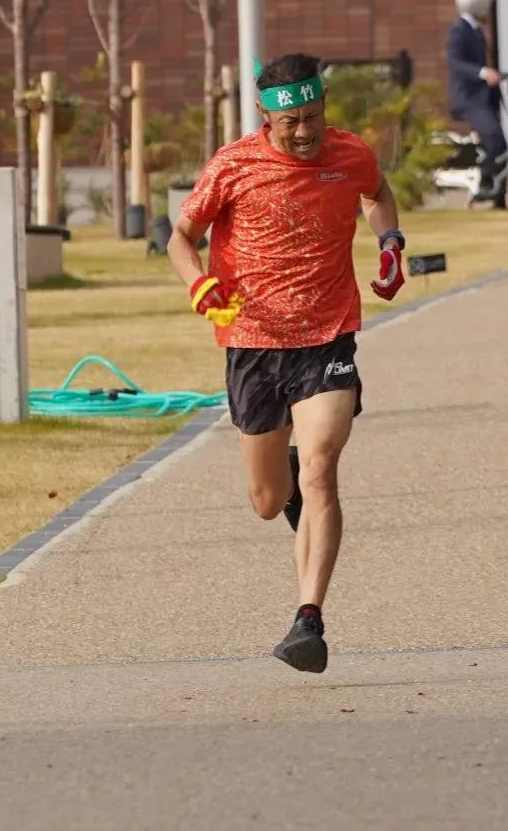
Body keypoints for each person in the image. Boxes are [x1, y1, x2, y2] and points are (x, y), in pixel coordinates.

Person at [168, 53, 407, 674]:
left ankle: (309, 620)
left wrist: (389, 243)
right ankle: (289, 468)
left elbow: (378, 195)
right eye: (289, 121)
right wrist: (198, 284)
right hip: (253, 343)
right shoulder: (234, 166)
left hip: (328, 336)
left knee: (323, 467)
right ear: (264, 116)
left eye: (313, 117)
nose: (303, 132)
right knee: (270, 500)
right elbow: (180, 237)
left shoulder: (349, 153)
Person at [446, 0, 508, 209]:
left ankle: (498, 198)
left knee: (501, 145)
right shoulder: (458, 31)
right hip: (469, 99)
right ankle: (484, 184)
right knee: (494, 139)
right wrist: (483, 73)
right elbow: (455, 63)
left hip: (482, 97)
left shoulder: (476, 30)